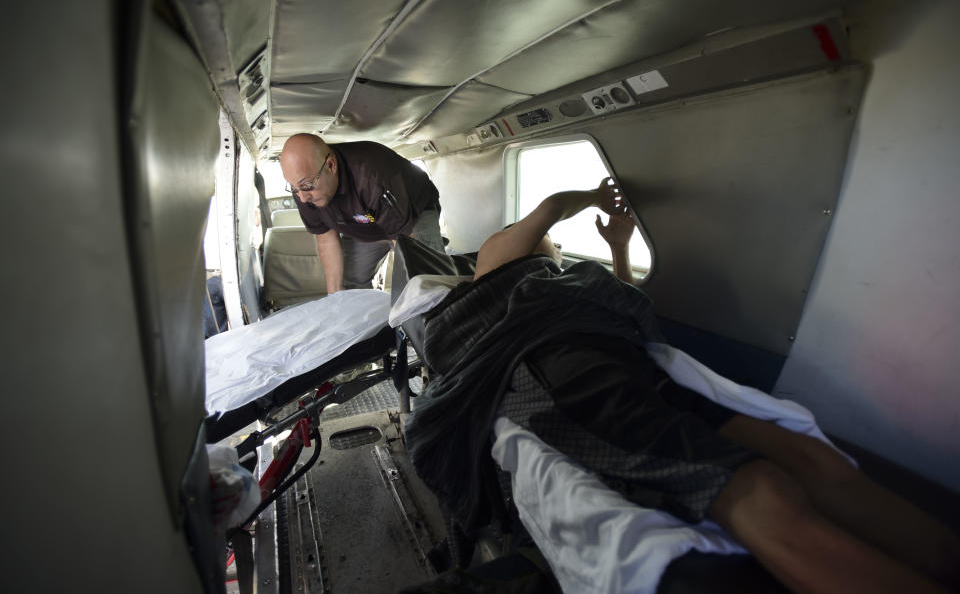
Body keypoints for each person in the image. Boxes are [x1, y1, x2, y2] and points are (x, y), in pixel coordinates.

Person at [406, 178, 960, 594]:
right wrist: (598, 197)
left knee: (809, 459)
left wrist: (620, 243)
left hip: (621, 360)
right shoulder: (499, 272)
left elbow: (617, 302)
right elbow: (550, 208)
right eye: (542, 243)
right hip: (558, 369)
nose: (550, 242)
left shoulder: (563, 284)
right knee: (750, 487)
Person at [279, 133, 444, 292]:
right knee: (349, 286)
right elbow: (326, 239)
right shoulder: (303, 189)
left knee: (426, 283)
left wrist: (416, 289)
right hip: (365, 223)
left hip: (413, 215)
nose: (302, 198)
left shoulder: (372, 176)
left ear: (331, 165)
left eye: (306, 186)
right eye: (294, 188)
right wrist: (335, 296)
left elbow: (404, 240)